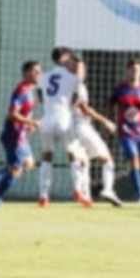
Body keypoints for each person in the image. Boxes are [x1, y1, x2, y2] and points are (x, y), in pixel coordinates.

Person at [0, 61, 42, 206]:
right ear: (25, 73)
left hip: (20, 135)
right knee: (16, 170)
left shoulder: (29, 91)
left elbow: (22, 115)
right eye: (34, 71)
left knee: (28, 164)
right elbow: (12, 114)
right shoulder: (22, 91)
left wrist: (28, 127)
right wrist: (31, 122)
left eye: (39, 71)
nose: (37, 74)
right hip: (14, 135)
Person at [37, 47, 90, 208]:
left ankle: (44, 196)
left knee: (47, 158)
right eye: (71, 58)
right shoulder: (73, 79)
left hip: (47, 119)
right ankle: (78, 190)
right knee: (73, 157)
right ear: (65, 58)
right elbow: (76, 100)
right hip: (64, 119)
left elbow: (40, 97)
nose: (73, 61)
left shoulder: (43, 76)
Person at [107, 58, 140, 204]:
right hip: (126, 131)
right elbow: (110, 105)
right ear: (127, 71)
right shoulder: (120, 89)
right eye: (132, 69)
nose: (135, 72)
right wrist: (108, 123)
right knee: (134, 160)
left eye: (137, 70)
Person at [70, 57, 123, 207]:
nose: (79, 72)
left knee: (82, 161)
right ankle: (107, 189)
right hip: (81, 127)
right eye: (76, 69)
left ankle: (84, 195)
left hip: (68, 128)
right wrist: (105, 121)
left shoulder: (64, 85)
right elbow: (85, 108)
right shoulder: (79, 86)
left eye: (80, 69)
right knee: (107, 159)